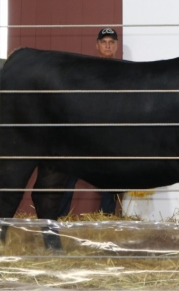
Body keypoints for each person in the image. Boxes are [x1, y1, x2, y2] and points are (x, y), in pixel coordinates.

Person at [58, 28, 121, 216]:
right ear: (97, 45)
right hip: (86, 129)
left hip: (111, 131)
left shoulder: (124, 71)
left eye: (111, 42)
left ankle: (107, 218)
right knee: (70, 170)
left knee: (115, 172)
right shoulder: (85, 70)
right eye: (104, 42)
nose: (108, 45)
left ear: (116, 46)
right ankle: (60, 218)